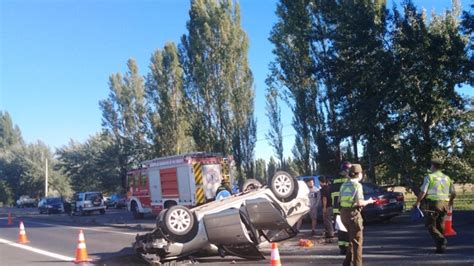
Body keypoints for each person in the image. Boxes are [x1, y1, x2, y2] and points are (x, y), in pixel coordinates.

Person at [413, 158, 456, 254]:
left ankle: (441, 240)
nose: (430, 167)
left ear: (433, 166)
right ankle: (441, 248)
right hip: (445, 204)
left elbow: (423, 191)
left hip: (434, 204)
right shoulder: (447, 178)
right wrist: (450, 203)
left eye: (431, 166)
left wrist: (417, 202)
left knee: (430, 225)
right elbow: (453, 192)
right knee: (440, 225)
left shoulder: (430, 177)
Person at [339, 164, 375, 266]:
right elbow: (360, 202)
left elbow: (340, 200)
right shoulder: (357, 185)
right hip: (353, 215)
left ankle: (346, 263)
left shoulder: (344, 185)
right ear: (359, 174)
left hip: (343, 214)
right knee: (357, 243)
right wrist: (369, 201)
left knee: (351, 240)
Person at [331, 161, 352, 254]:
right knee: (347, 228)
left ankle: (342, 248)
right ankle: (347, 248)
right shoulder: (348, 180)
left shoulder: (335, 179)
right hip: (345, 208)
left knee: (340, 229)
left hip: (336, 208)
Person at [319, 175, 334, 241]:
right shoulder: (330, 187)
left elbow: (324, 198)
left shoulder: (323, 189)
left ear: (321, 181)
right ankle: (329, 232)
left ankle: (330, 233)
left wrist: (324, 207)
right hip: (331, 206)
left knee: (327, 220)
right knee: (329, 220)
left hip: (327, 206)